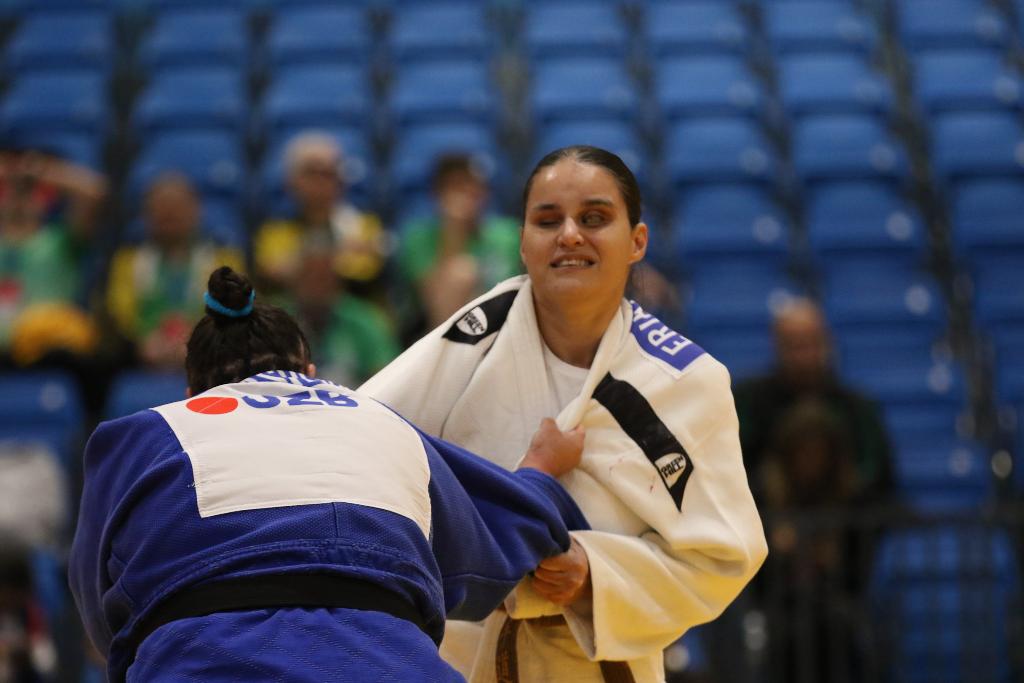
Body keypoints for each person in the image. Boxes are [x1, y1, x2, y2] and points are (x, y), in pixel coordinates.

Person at [361, 146, 768, 682]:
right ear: (524, 243)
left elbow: (723, 557)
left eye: (595, 218)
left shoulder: (686, 382)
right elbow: (364, 440)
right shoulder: (474, 338)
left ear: (637, 242)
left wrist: (594, 574)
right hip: (457, 658)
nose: (570, 234)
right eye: (547, 220)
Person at [68, 266, 590, 682]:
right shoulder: (378, 421)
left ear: (192, 393)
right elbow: (497, 545)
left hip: (196, 661)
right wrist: (540, 470)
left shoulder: (144, 435)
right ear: (311, 375)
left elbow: (99, 616)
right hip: (386, 662)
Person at [733, 298, 894, 504]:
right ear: (777, 346)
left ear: (827, 343)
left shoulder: (856, 406)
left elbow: (877, 475)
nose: (803, 357)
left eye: (811, 343)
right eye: (794, 345)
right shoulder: (750, 400)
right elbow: (735, 470)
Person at [106, 172, 244, 370]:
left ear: (196, 210)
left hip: (210, 353)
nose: (169, 213)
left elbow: (233, 311)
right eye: (160, 206)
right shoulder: (127, 261)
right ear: (145, 214)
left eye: (177, 206)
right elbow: (120, 313)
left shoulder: (225, 260)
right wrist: (145, 340)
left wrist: (197, 340)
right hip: (143, 353)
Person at [396, 153, 522, 343]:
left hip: (506, 328)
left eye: (474, 185)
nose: (469, 193)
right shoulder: (418, 238)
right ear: (438, 194)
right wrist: (454, 232)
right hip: (441, 336)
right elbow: (432, 303)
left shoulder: (509, 234)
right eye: (457, 187)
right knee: (461, 272)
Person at [253, 132, 389, 304]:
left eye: (328, 173)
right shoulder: (275, 231)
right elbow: (271, 272)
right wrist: (341, 252)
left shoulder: (364, 225)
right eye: (311, 173)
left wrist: (299, 263)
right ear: (291, 181)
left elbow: (364, 273)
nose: (320, 182)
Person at [286, 248, 399, 387]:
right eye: (309, 278)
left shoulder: (364, 320)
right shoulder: (280, 323)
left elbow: (387, 375)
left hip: (355, 402)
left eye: (323, 279)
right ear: (294, 283)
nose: (316, 287)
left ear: (338, 283)